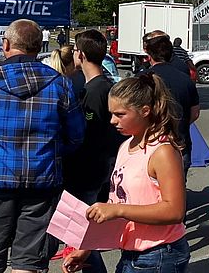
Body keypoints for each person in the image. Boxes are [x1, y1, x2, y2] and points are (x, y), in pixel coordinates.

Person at [62, 73, 190, 273]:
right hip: (132, 253)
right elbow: (116, 203)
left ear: (145, 111)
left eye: (120, 114)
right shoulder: (125, 146)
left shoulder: (163, 151)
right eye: (111, 113)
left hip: (159, 254)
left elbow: (174, 211)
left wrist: (118, 211)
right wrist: (86, 249)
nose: (112, 120)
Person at [0, 19, 85, 273]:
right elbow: (76, 135)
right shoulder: (60, 83)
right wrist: (52, 153)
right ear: (38, 46)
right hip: (42, 179)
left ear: (6, 45)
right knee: (28, 260)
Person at [63, 30, 123, 273]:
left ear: (81, 54)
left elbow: (92, 132)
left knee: (82, 233)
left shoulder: (96, 90)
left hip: (92, 171)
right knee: (85, 234)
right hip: (98, 168)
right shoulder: (102, 84)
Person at [143, 31, 201, 174]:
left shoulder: (143, 79)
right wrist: (179, 122)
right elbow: (195, 113)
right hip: (180, 140)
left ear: (149, 55)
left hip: (151, 142)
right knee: (179, 186)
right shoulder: (185, 77)